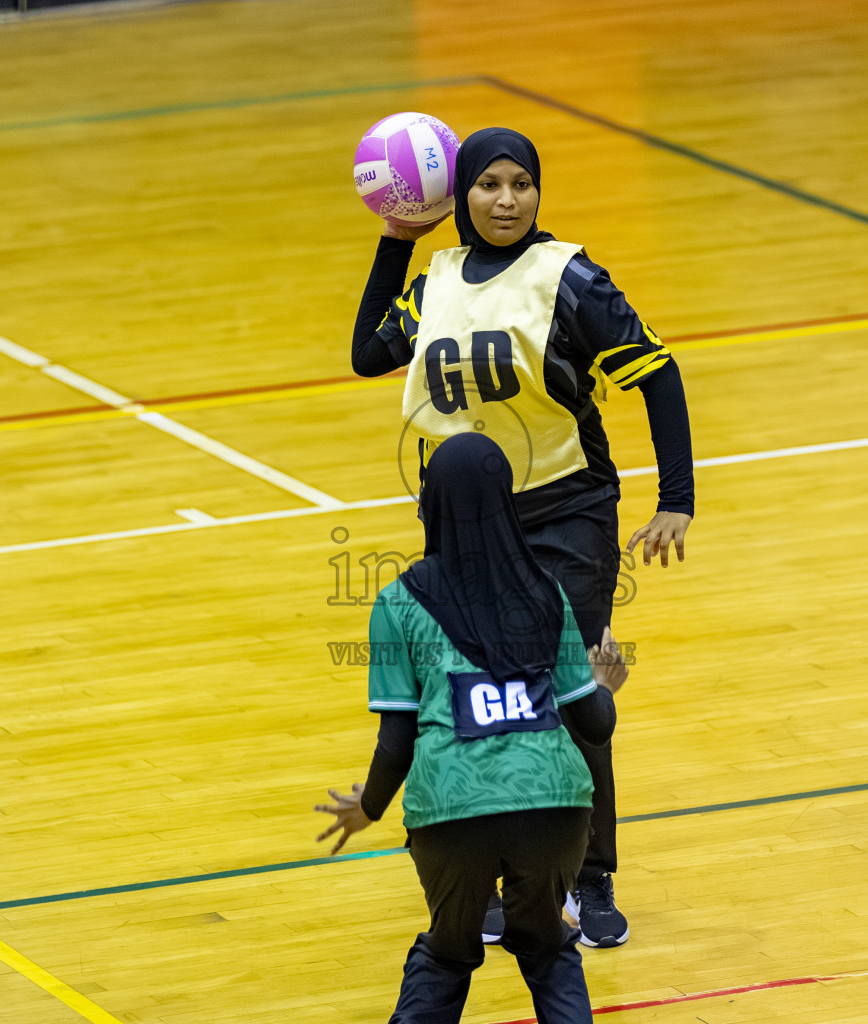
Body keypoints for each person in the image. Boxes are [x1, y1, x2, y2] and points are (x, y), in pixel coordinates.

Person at [349, 125, 694, 946]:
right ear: (459, 196)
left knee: (567, 689)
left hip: (567, 509)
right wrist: (397, 237)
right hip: (468, 524)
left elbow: (657, 370)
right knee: (483, 690)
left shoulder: (567, 277)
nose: (507, 200)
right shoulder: (433, 282)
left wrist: (675, 497)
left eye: (522, 184)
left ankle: (593, 878)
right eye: (489, 186)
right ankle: (515, 869)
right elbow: (368, 353)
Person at [315, 432, 629, 1024]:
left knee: (447, 953)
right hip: (555, 807)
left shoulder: (398, 601)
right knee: (549, 947)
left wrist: (371, 806)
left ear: (429, 504)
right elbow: (591, 724)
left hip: (451, 813)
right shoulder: (546, 592)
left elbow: (396, 741)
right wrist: (606, 689)